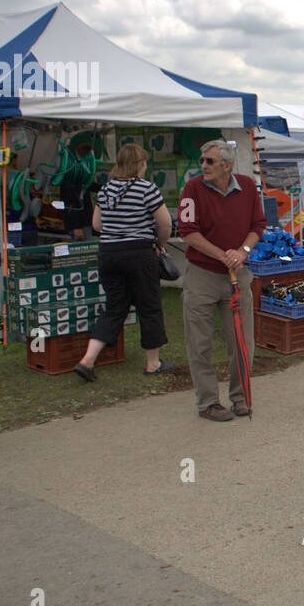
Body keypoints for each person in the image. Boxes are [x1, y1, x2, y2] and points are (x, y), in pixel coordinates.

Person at [177, 140, 265, 421]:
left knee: (241, 341)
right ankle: (208, 402)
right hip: (202, 275)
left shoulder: (248, 187)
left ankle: (240, 398)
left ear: (227, 165)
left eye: (209, 161)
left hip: (237, 277)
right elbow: (188, 231)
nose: (203, 166)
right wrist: (222, 256)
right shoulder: (192, 189)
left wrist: (243, 252)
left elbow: (258, 225)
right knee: (199, 343)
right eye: (202, 160)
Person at [76, 143, 174, 381]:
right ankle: (153, 363)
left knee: (114, 307)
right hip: (138, 253)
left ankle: (87, 360)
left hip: (109, 253)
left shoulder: (106, 190)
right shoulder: (146, 188)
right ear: (140, 164)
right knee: (149, 307)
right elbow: (165, 223)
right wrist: (160, 245)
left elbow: (97, 225)